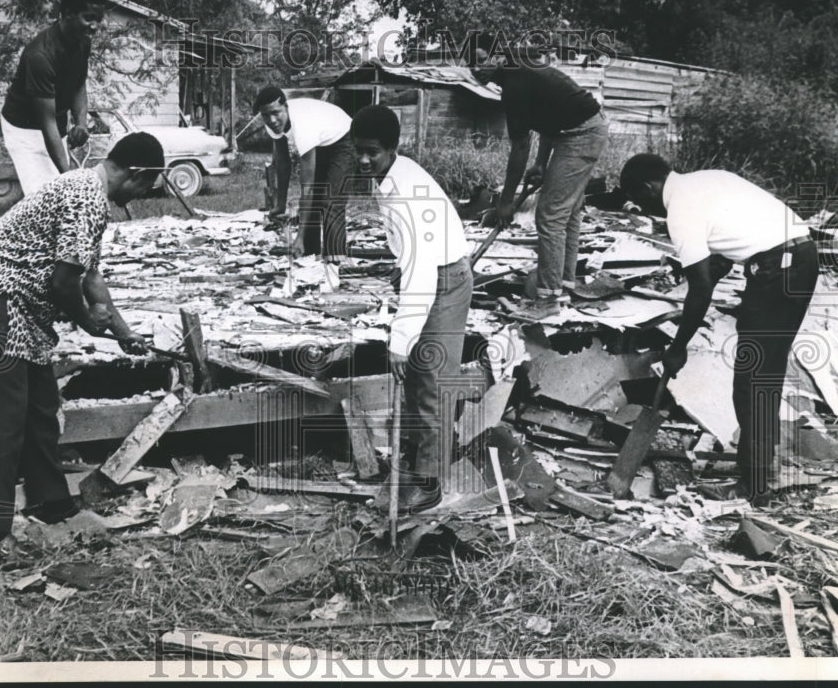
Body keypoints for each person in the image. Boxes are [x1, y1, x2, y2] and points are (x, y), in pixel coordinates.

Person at [0, 133, 164, 560]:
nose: (144, 196)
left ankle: (52, 504)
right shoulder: (85, 197)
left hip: (24, 309)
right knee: (4, 424)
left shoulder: (88, 190)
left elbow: (89, 276)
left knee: (41, 408)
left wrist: (121, 330)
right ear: (136, 175)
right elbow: (64, 284)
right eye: (147, 187)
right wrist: (85, 320)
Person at [619, 154, 818, 503]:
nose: (649, 209)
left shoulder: (680, 209)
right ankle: (761, 471)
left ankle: (753, 486)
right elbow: (728, 247)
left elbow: (700, 289)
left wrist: (677, 348)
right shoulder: (707, 179)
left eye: (642, 200)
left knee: (750, 379)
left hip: (775, 270)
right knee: (766, 373)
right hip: (802, 257)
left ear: (648, 188)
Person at [351, 105, 472, 513]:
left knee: (432, 382)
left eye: (373, 152)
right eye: (358, 151)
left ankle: (430, 482)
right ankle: (418, 458)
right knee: (423, 379)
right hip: (428, 270)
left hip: (444, 278)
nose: (364, 159)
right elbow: (410, 255)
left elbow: (422, 272)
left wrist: (401, 339)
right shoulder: (388, 177)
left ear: (393, 148)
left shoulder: (406, 192)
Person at [474, 52, 609, 315]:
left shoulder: (514, 86)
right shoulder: (520, 72)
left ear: (500, 56)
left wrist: (506, 202)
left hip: (581, 133)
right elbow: (550, 121)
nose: (477, 68)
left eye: (482, 59)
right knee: (567, 214)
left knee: (550, 215)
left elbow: (520, 147)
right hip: (579, 129)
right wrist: (541, 164)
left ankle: (547, 301)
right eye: (471, 62)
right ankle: (565, 284)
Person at [0, 0, 108, 196]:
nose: (95, 27)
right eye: (89, 18)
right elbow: (46, 122)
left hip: (54, 124)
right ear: (67, 13)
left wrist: (81, 122)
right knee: (44, 195)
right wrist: (69, 176)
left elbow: (78, 84)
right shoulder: (40, 56)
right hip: (25, 129)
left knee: (60, 192)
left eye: (99, 19)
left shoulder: (82, 42)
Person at [253, 86, 354, 260]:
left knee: (330, 202)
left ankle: (334, 261)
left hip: (345, 136)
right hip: (323, 139)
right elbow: (283, 164)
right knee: (314, 204)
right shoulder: (272, 123)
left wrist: (299, 237)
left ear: (286, 107)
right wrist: (280, 204)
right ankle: (309, 256)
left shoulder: (303, 126)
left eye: (276, 113)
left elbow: (307, 189)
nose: (272, 120)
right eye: (266, 115)